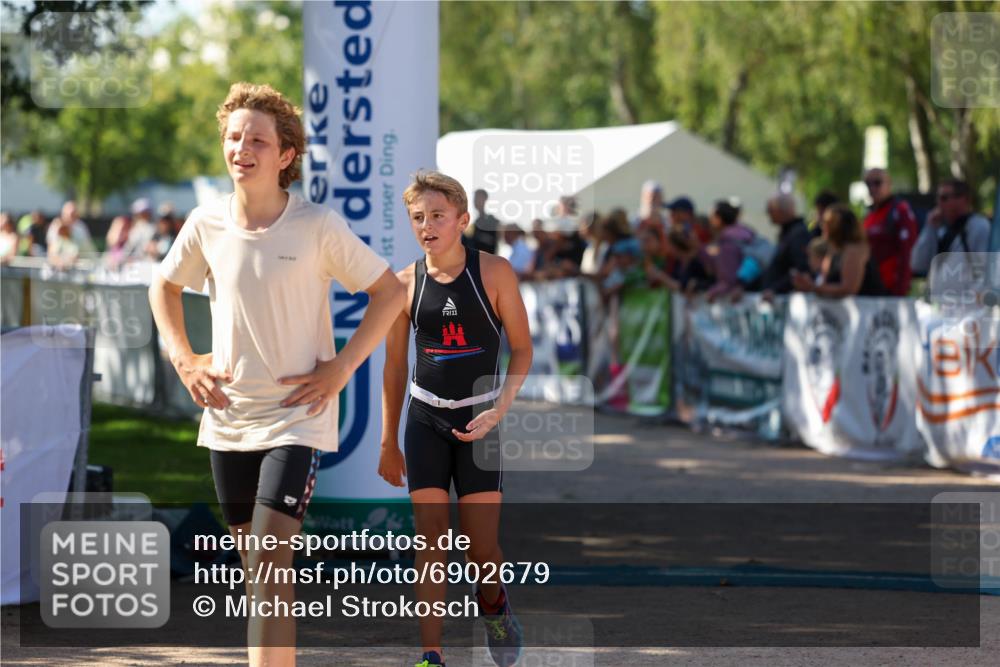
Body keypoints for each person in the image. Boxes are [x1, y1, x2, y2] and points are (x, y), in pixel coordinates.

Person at [148, 82, 404, 667]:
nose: (242, 147)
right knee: (257, 574)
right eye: (234, 137)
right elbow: (162, 286)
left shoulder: (317, 225)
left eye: (257, 139)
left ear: (285, 155)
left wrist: (341, 367)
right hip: (228, 420)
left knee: (267, 561)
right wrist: (185, 358)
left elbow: (389, 292)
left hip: (297, 419)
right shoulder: (205, 223)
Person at [377, 170, 531, 667]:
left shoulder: (495, 273)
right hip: (425, 419)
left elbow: (523, 351)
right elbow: (395, 365)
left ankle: (495, 607)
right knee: (430, 536)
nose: (428, 225)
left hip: (480, 422)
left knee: (481, 547)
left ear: (462, 221)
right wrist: (387, 440)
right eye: (418, 217)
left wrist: (498, 411)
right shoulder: (402, 284)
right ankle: (431, 653)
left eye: (438, 216)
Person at [793, 204, 885, 298]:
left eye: (829, 223)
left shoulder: (854, 250)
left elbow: (849, 289)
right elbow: (824, 284)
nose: (823, 226)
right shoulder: (833, 252)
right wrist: (809, 284)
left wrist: (813, 287)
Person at [911, 178, 991, 274]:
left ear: (963, 199)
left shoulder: (980, 226)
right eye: (938, 198)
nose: (939, 203)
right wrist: (930, 228)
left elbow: (985, 268)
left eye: (944, 198)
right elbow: (917, 264)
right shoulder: (941, 230)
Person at [861, 168, 917, 296]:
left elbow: (908, 252)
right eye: (868, 184)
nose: (872, 188)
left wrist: (901, 288)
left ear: (889, 184)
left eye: (877, 183)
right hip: (871, 286)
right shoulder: (869, 215)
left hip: (891, 288)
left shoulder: (900, 211)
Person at [760, 194, 813, 295]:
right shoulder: (788, 233)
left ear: (781, 210)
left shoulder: (798, 234)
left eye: (770, 210)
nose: (768, 214)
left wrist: (775, 289)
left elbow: (801, 268)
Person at [703, 199, 754, 300]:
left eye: (711, 217)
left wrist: (712, 292)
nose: (710, 221)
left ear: (718, 219)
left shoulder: (727, 241)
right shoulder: (747, 233)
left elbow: (728, 280)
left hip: (740, 299)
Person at [464, 188, 501, 254]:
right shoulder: (476, 222)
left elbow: (492, 242)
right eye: (475, 199)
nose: (475, 201)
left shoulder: (492, 220)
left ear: (485, 199)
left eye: (478, 198)